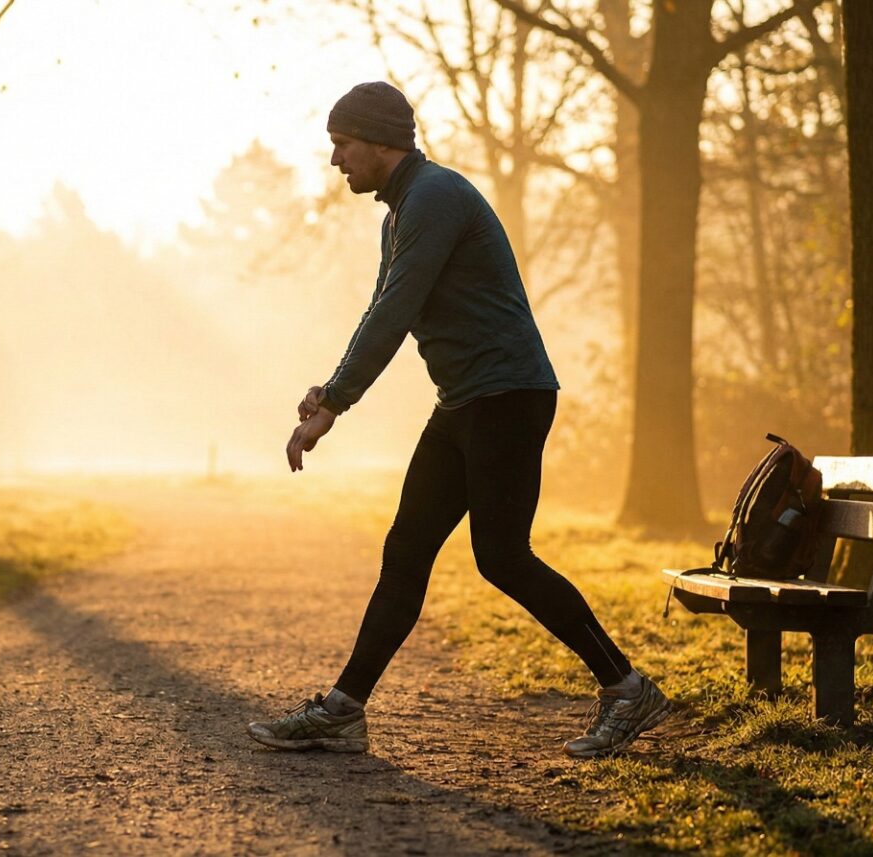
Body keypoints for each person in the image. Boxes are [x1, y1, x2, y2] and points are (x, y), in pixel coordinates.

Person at [246, 82, 669, 759]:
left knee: (502, 557)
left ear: (382, 141)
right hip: (465, 401)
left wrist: (334, 404)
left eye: (342, 146)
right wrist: (332, 387)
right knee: (407, 549)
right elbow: (383, 307)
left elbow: (395, 310)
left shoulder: (436, 197)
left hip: (507, 396)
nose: (335, 162)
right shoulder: (404, 210)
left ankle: (626, 687)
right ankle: (343, 709)